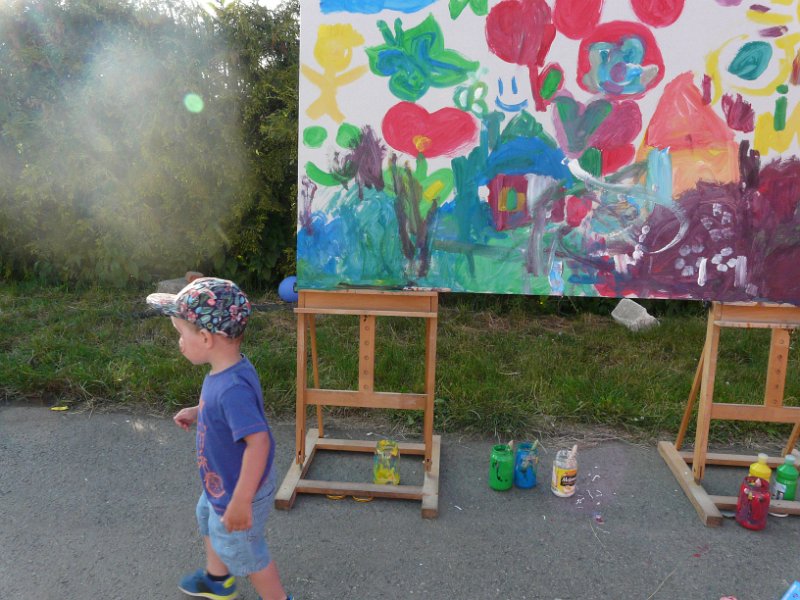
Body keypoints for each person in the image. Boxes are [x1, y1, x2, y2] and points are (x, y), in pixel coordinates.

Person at [147, 277, 291, 600]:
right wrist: (199, 411)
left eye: (180, 334)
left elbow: (259, 442)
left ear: (205, 337)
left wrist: (241, 500)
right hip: (223, 481)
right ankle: (217, 579)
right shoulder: (229, 371)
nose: (179, 343)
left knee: (249, 553)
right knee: (207, 518)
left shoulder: (232, 389)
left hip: (240, 488)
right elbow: (224, 411)